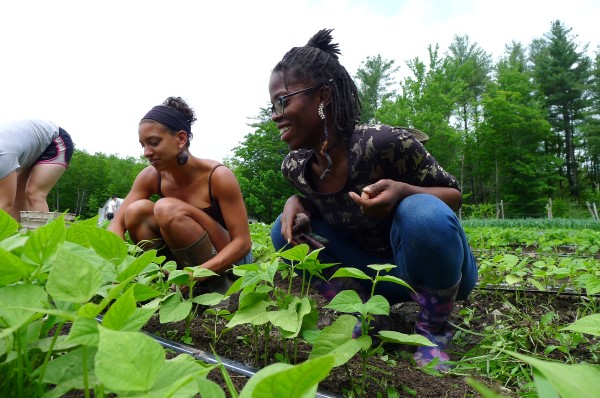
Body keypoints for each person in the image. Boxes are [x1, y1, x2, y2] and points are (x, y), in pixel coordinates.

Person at [268, 29, 478, 371]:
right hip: (371, 276)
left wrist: (403, 191)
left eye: (283, 101)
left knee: (421, 213)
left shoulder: (381, 143)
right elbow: (322, 207)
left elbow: (452, 196)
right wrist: (297, 202)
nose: (275, 114)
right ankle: (365, 314)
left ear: (322, 96)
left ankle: (434, 328)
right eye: (271, 105)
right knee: (283, 231)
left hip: (429, 270)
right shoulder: (295, 167)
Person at [108, 96, 252, 299]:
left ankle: (220, 289)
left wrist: (197, 274)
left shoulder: (217, 176)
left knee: (166, 208)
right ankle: (168, 283)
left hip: (230, 261)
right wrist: (116, 265)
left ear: (181, 139)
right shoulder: (151, 176)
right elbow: (116, 225)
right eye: (143, 145)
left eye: (154, 142)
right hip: (188, 264)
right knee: (136, 211)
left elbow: (243, 243)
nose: (147, 153)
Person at [0, 119, 74, 221]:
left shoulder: (3, 156)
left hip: (55, 141)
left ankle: (45, 236)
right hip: (30, 146)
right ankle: (19, 235)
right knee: (18, 195)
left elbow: (5, 204)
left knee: (34, 193)